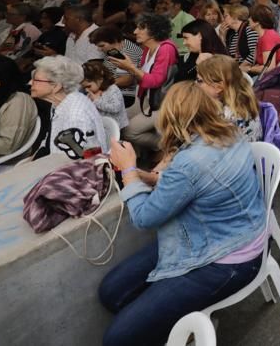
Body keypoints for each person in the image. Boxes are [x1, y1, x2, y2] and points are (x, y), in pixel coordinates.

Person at [99, 82, 266, 346]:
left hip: (224, 260)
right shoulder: (229, 132)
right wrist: (152, 178)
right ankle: (172, 322)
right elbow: (198, 183)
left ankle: (178, 329)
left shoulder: (189, 163)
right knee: (111, 292)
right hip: (235, 236)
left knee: (117, 339)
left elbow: (143, 218)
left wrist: (128, 170)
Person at [110, 13, 180, 154]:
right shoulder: (148, 48)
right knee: (119, 123)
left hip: (163, 104)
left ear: (154, 31)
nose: (135, 31)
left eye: (141, 28)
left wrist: (130, 67)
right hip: (146, 99)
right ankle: (141, 157)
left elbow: (155, 81)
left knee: (129, 132)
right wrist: (129, 68)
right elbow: (141, 77)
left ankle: (171, 147)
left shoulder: (166, 49)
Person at [31, 56, 106, 158]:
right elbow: (48, 142)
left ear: (56, 86)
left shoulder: (75, 115)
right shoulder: (62, 103)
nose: (30, 83)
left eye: (36, 80)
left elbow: (76, 161)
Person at [196, 55, 263, 142]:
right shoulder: (243, 102)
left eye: (199, 81)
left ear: (218, 87)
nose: (196, 84)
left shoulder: (226, 116)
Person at [82, 59, 129, 137]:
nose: (87, 90)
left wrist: (97, 101)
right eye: (84, 87)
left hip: (116, 127)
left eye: (88, 86)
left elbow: (115, 108)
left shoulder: (112, 89)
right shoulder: (93, 92)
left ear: (100, 79)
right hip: (102, 127)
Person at [241, 5, 280, 75]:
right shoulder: (265, 35)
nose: (248, 20)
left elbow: (269, 68)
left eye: (250, 17)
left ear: (257, 22)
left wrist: (249, 69)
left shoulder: (267, 38)